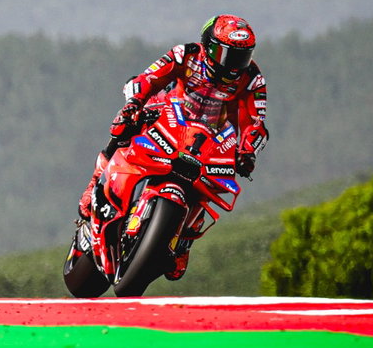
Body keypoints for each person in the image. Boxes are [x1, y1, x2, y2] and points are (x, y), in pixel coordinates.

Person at [76, 14, 268, 280]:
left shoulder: (253, 79)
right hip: (169, 114)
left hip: (211, 138)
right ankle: (95, 183)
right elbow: (149, 77)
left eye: (241, 56)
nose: (233, 64)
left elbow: (255, 123)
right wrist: (134, 103)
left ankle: (184, 240)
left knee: (216, 183)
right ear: (208, 45)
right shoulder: (185, 54)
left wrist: (248, 151)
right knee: (125, 126)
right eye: (226, 54)